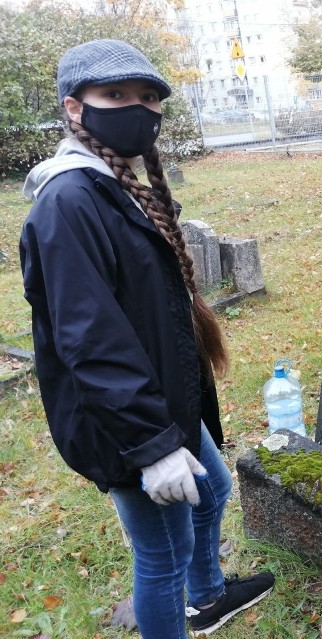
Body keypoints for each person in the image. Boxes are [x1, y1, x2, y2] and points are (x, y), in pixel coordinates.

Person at [19, 39, 274, 638]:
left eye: (148, 98)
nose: (137, 109)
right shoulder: (70, 201)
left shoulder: (118, 185)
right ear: (75, 108)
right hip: (125, 425)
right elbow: (91, 340)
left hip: (162, 404)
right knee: (162, 555)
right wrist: (152, 447)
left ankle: (208, 597)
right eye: (115, 96)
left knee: (210, 492)